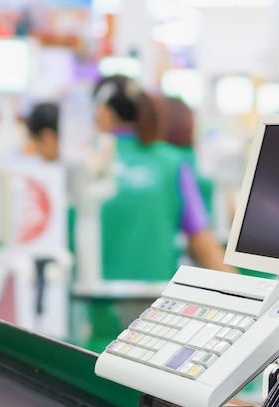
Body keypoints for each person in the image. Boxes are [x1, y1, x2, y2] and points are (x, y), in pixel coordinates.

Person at [93, 75, 234, 280]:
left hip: (88, 303)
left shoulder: (84, 160)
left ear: (103, 113)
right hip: (155, 302)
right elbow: (201, 241)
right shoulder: (172, 162)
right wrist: (246, 292)